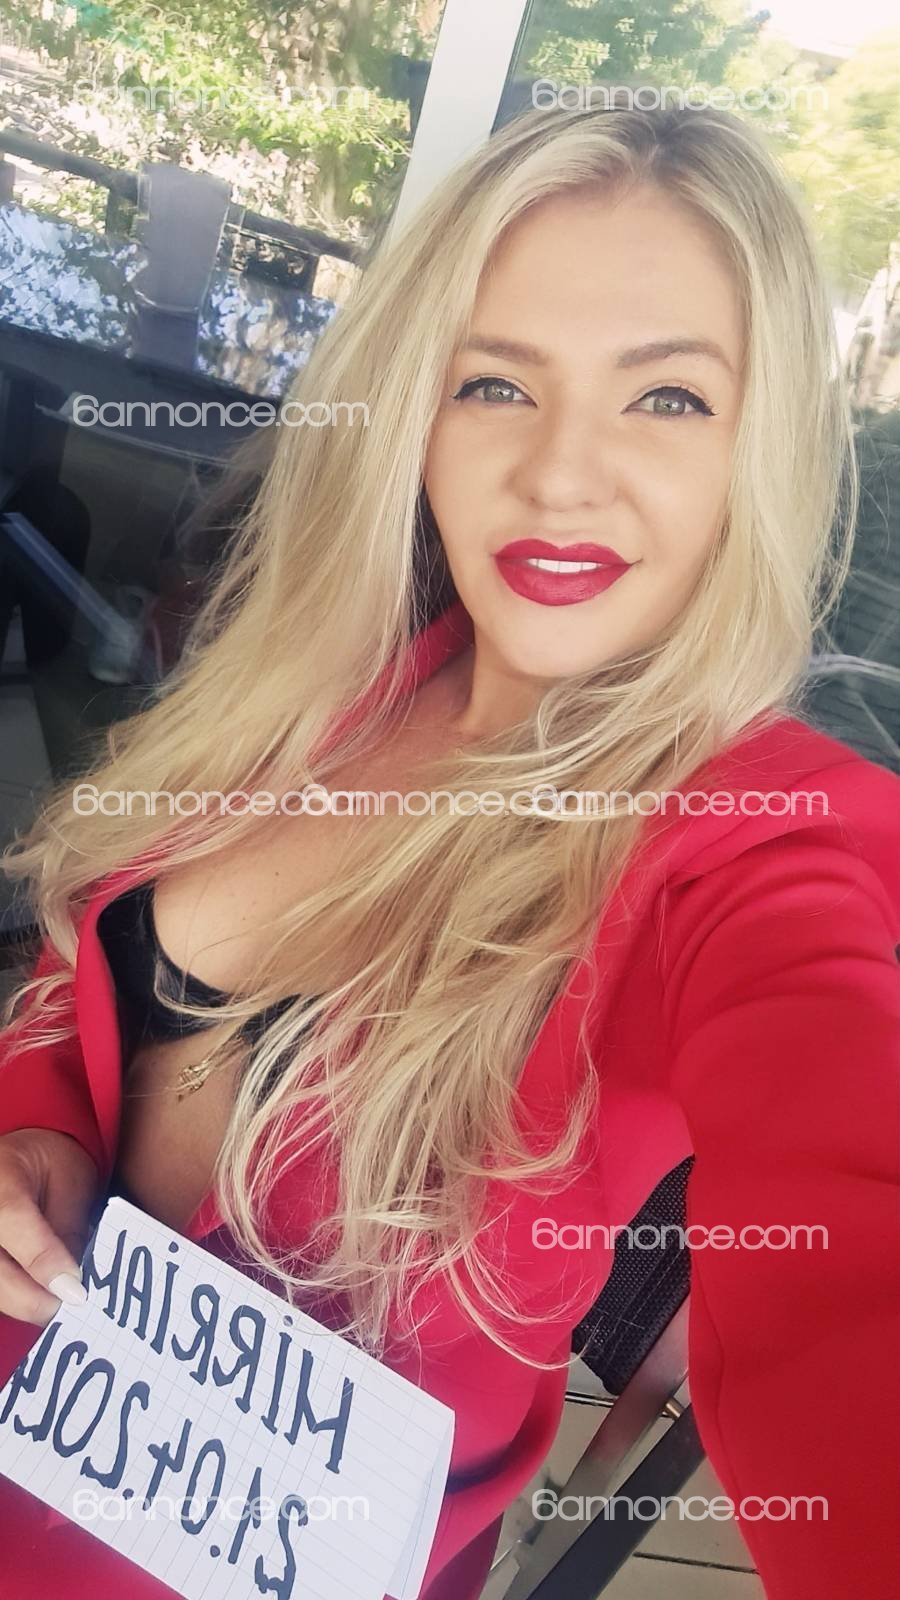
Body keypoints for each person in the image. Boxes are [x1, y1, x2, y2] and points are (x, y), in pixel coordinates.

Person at [0, 105, 898, 1600]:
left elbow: (854, 1255)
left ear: (764, 450)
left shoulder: (749, 845)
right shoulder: (331, 688)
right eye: (496, 383)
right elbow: (76, 971)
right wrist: (37, 1129)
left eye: (667, 397)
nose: (560, 475)